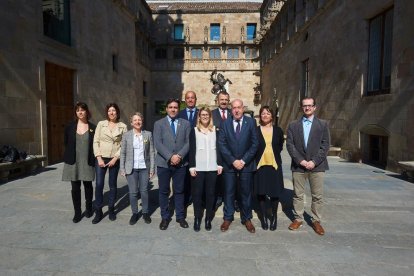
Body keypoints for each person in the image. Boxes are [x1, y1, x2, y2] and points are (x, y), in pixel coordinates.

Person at [286, 97, 330, 235]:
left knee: (317, 196)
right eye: (305, 106)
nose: (307, 108)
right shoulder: (293, 125)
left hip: (317, 166)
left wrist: (314, 161)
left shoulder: (322, 124)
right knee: (298, 194)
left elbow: (325, 145)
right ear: (301, 107)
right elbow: (290, 145)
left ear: (315, 107)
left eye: (310, 105)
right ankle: (298, 219)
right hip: (299, 166)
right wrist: (300, 160)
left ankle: (316, 221)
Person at [218, 99, 258, 233]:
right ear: (231, 109)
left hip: (246, 165)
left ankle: (246, 218)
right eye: (234, 108)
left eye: (239, 107)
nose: (236, 110)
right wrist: (232, 160)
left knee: (246, 193)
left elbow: (254, 144)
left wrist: (244, 160)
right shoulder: (225, 123)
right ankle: (227, 217)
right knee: (228, 192)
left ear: (243, 108)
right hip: (229, 166)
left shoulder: (251, 122)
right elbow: (222, 144)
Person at [153, 98, 191, 230]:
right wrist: (170, 156)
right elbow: (157, 143)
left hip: (181, 164)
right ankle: (165, 217)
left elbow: (188, 142)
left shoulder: (185, 123)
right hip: (164, 163)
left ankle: (180, 217)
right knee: (164, 191)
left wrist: (179, 156)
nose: (173, 109)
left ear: (178, 108)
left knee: (179, 191)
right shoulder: (159, 124)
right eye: (170, 107)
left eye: (175, 107)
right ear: (166, 109)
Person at [188, 107, 223, 232]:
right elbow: (191, 150)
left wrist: (219, 164)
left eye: (207, 114)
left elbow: (219, 149)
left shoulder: (215, 130)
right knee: (197, 195)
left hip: (213, 168)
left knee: (210, 194)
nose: (204, 117)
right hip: (198, 168)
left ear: (210, 116)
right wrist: (191, 166)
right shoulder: (194, 131)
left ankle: (208, 218)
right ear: (199, 117)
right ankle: (198, 218)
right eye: (202, 114)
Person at [92, 103, 127, 224]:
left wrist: (115, 158)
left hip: (114, 159)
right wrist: (99, 157)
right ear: (107, 113)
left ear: (117, 112)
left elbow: (124, 144)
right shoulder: (101, 124)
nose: (111, 113)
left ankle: (111, 209)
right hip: (101, 157)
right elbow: (95, 141)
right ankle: (98, 211)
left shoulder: (123, 126)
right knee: (99, 184)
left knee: (112, 184)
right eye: (109, 111)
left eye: (114, 110)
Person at [62, 102, 96, 223]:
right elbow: (66, 143)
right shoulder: (70, 127)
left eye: (82, 110)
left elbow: (96, 145)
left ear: (87, 111)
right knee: (75, 187)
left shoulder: (93, 127)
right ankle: (77, 212)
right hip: (73, 161)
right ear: (75, 113)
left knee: (88, 186)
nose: (80, 112)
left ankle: (89, 208)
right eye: (77, 110)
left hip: (87, 161)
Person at [120, 112, 155, 225]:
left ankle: (145, 212)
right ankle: (135, 213)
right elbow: (123, 153)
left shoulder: (148, 134)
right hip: (131, 168)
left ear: (142, 121)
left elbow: (151, 152)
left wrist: (152, 169)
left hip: (145, 167)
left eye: (139, 120)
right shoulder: (126, 135)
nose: (137, 122)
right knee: (133, 192)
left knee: (144, 191)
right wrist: (122, 168)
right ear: (131, 123)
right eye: (135, 120)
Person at [254, 106, 284, 231]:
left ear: (272, 116)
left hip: (274, 165)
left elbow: (280, 145)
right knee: (261, 192)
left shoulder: (278, 130)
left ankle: (274, 217)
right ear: (260, 116)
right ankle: (264, 217)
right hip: (260, 165)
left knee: (274, 193)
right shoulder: (255, 130)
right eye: (263, 114)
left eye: (267, 113)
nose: (265, 115)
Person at [177, 91, 199, 208]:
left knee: (196, 175)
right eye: (188, 98)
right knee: (184, 176)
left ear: (196, 100)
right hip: (183, 150)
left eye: (192, 98)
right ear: (185, 100)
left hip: (198, 149)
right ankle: (185, 197)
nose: (190, 100)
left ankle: (195, 197)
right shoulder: (179, 114)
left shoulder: (201, 114)